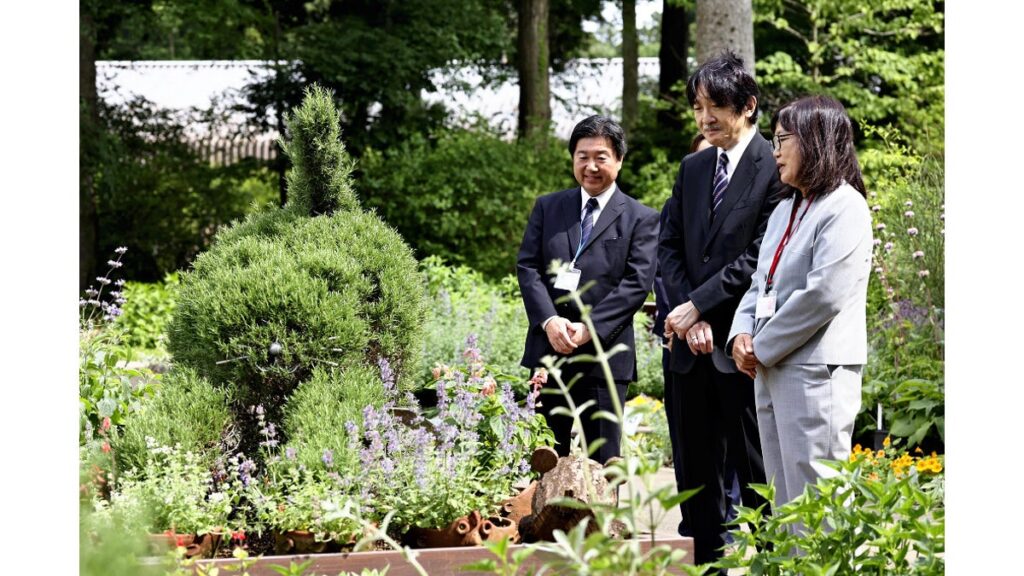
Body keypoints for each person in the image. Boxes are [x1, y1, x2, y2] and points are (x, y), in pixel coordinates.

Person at [658, 51, 783, 569]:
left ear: (748, 106)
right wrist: (692, 316)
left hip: (742, 346)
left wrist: (699, 305)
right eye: (698, 107)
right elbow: (667, 247)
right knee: (695, 480)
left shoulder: (774, 168)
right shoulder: (692, 167)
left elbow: (761, 255)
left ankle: (770, 564)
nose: (705, 117)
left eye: (716, 106)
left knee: (757, 476)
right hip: (689, 352)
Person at [727, 95, 872, 511]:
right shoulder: (785, 208)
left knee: (818, 503)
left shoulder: (845, 207)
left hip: (815, 373)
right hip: (771, 370)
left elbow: (823, 294)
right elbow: (759, 282)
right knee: (785, 503)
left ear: (815, 139)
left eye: (782, 139)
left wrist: (762, 346)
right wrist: (740, 332)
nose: (774, 151)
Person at [517, 114, 659, 464]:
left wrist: (588, 330)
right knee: (545, 457)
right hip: (550, 351)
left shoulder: (641, 218)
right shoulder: (549, 207)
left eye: (601, 157)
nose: (591, 166)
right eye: (583, 157)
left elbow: (637, 282)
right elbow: (528, 267)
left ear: (619, 160)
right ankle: (547, 521)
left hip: (605, 357)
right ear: (572, 158)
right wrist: (550, 321)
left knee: (603, 461)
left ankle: (604, 521)